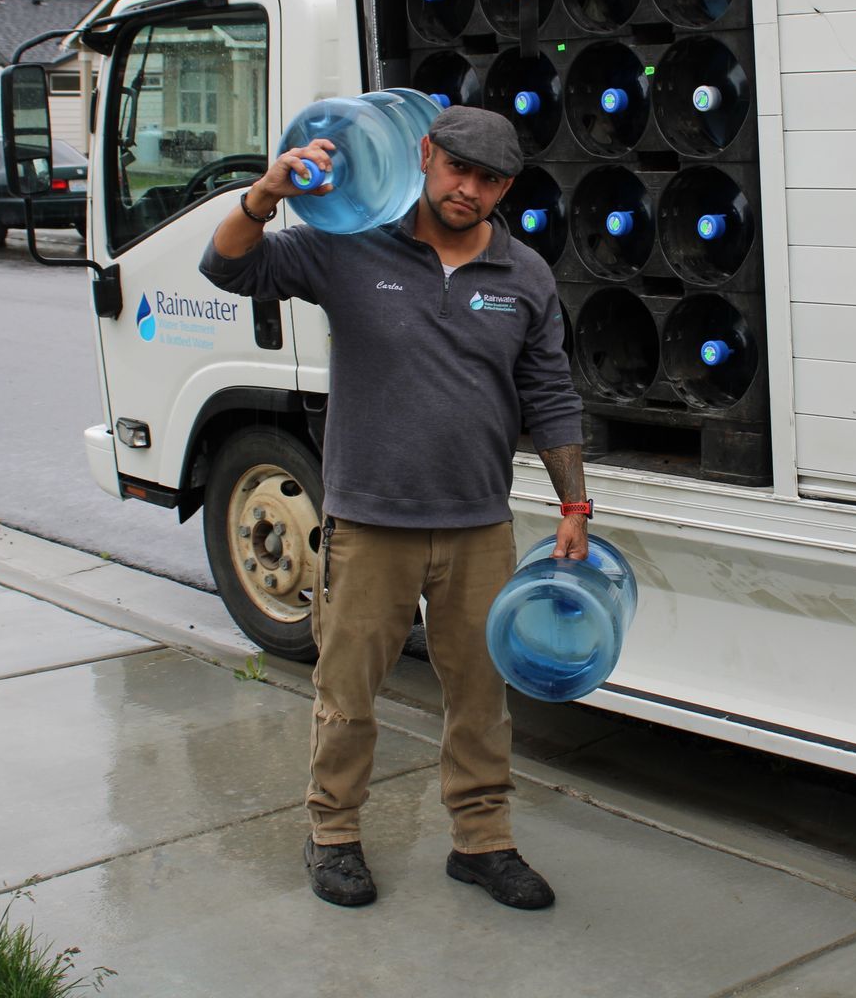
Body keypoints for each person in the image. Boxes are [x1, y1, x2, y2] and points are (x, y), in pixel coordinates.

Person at [198, 104, 590, 912]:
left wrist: (574, 503)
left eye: (487, 180)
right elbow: (226, 267)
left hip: (478, 523)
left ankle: (482, 843)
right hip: (370, 523)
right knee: (348, 694)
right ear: (424, 156)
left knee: (481, 698)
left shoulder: (526, 277)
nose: (467, 189)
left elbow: (550, 396)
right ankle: (334, 834)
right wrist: (269, 189)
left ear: (505, 187)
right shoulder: (347, 246)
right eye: (456, 169)